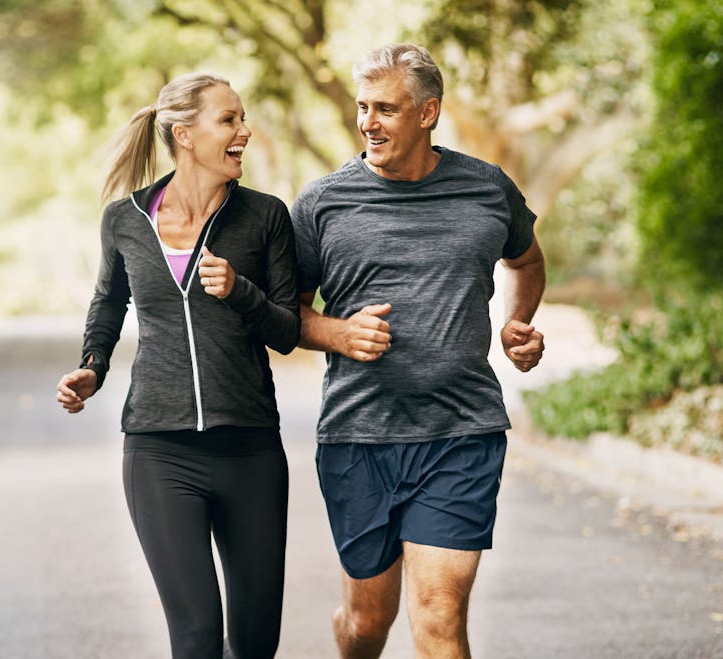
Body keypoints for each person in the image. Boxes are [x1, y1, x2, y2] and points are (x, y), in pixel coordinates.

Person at [290, 44, 546, 658]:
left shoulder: (486, 188)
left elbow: (527, 260)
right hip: (359, 435)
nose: (368, 122)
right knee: (366, 624)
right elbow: (286, 313)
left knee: (438, 614)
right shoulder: (323, 202)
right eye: (363, 107)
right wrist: (337, 333)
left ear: (428, 112)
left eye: (385, 108)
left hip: (461, 431)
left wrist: (517, 322)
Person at [55, 73, 300, 659]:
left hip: (250, 448)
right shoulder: (125, 219)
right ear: (184, 135)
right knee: (195, 638)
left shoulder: (265, 216)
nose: (245, 131)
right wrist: (92, 366)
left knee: (255, 642)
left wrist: (240, 291)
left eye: (242, 118)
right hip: (160, 450)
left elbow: (288, 331)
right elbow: (108, 302)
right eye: (229, 120)